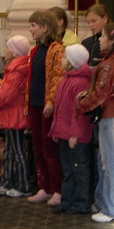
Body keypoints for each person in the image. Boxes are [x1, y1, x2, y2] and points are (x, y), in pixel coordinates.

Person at [78, 22, 114, 223]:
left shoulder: (108, 65)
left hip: (110, 115)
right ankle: (105, 203)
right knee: (106, 162)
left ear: (112, 41)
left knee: (109, 163)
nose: (100, 40)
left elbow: (101, 94)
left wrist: (80, 105)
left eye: (103, 36)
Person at [0, 35, 32, 198]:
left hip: (14, 115)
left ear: (14, 51)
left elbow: (7, 95)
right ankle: (9, 181)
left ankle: (23, 185)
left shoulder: (16, 72)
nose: (5, 51)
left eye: (7, 48)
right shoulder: (15, 69)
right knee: (10, 150)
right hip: (11, 114)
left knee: (17, 151)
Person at [26, 9, 65, 205]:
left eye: (33, 25)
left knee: (50, 149)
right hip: (34, 103)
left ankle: (57, 189)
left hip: (46, 105)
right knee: (38, 148)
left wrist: (50, 100)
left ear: (45, 27)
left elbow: (58, 77)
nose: (30, 29)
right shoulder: (35, 51)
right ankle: (44, 186)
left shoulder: (56, 49)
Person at [50, 44, 93, 214]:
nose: (61, 59)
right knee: (67, 169)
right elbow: (59, 108)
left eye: (65, 57)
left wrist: (75, 134)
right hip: (64, 133)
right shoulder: (65, 79)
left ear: (72, 62)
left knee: (79, 168)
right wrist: (56, 129)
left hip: (75, 136)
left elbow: (79, 113)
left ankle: (80, 203)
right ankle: (67, 200)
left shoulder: (81, 82)